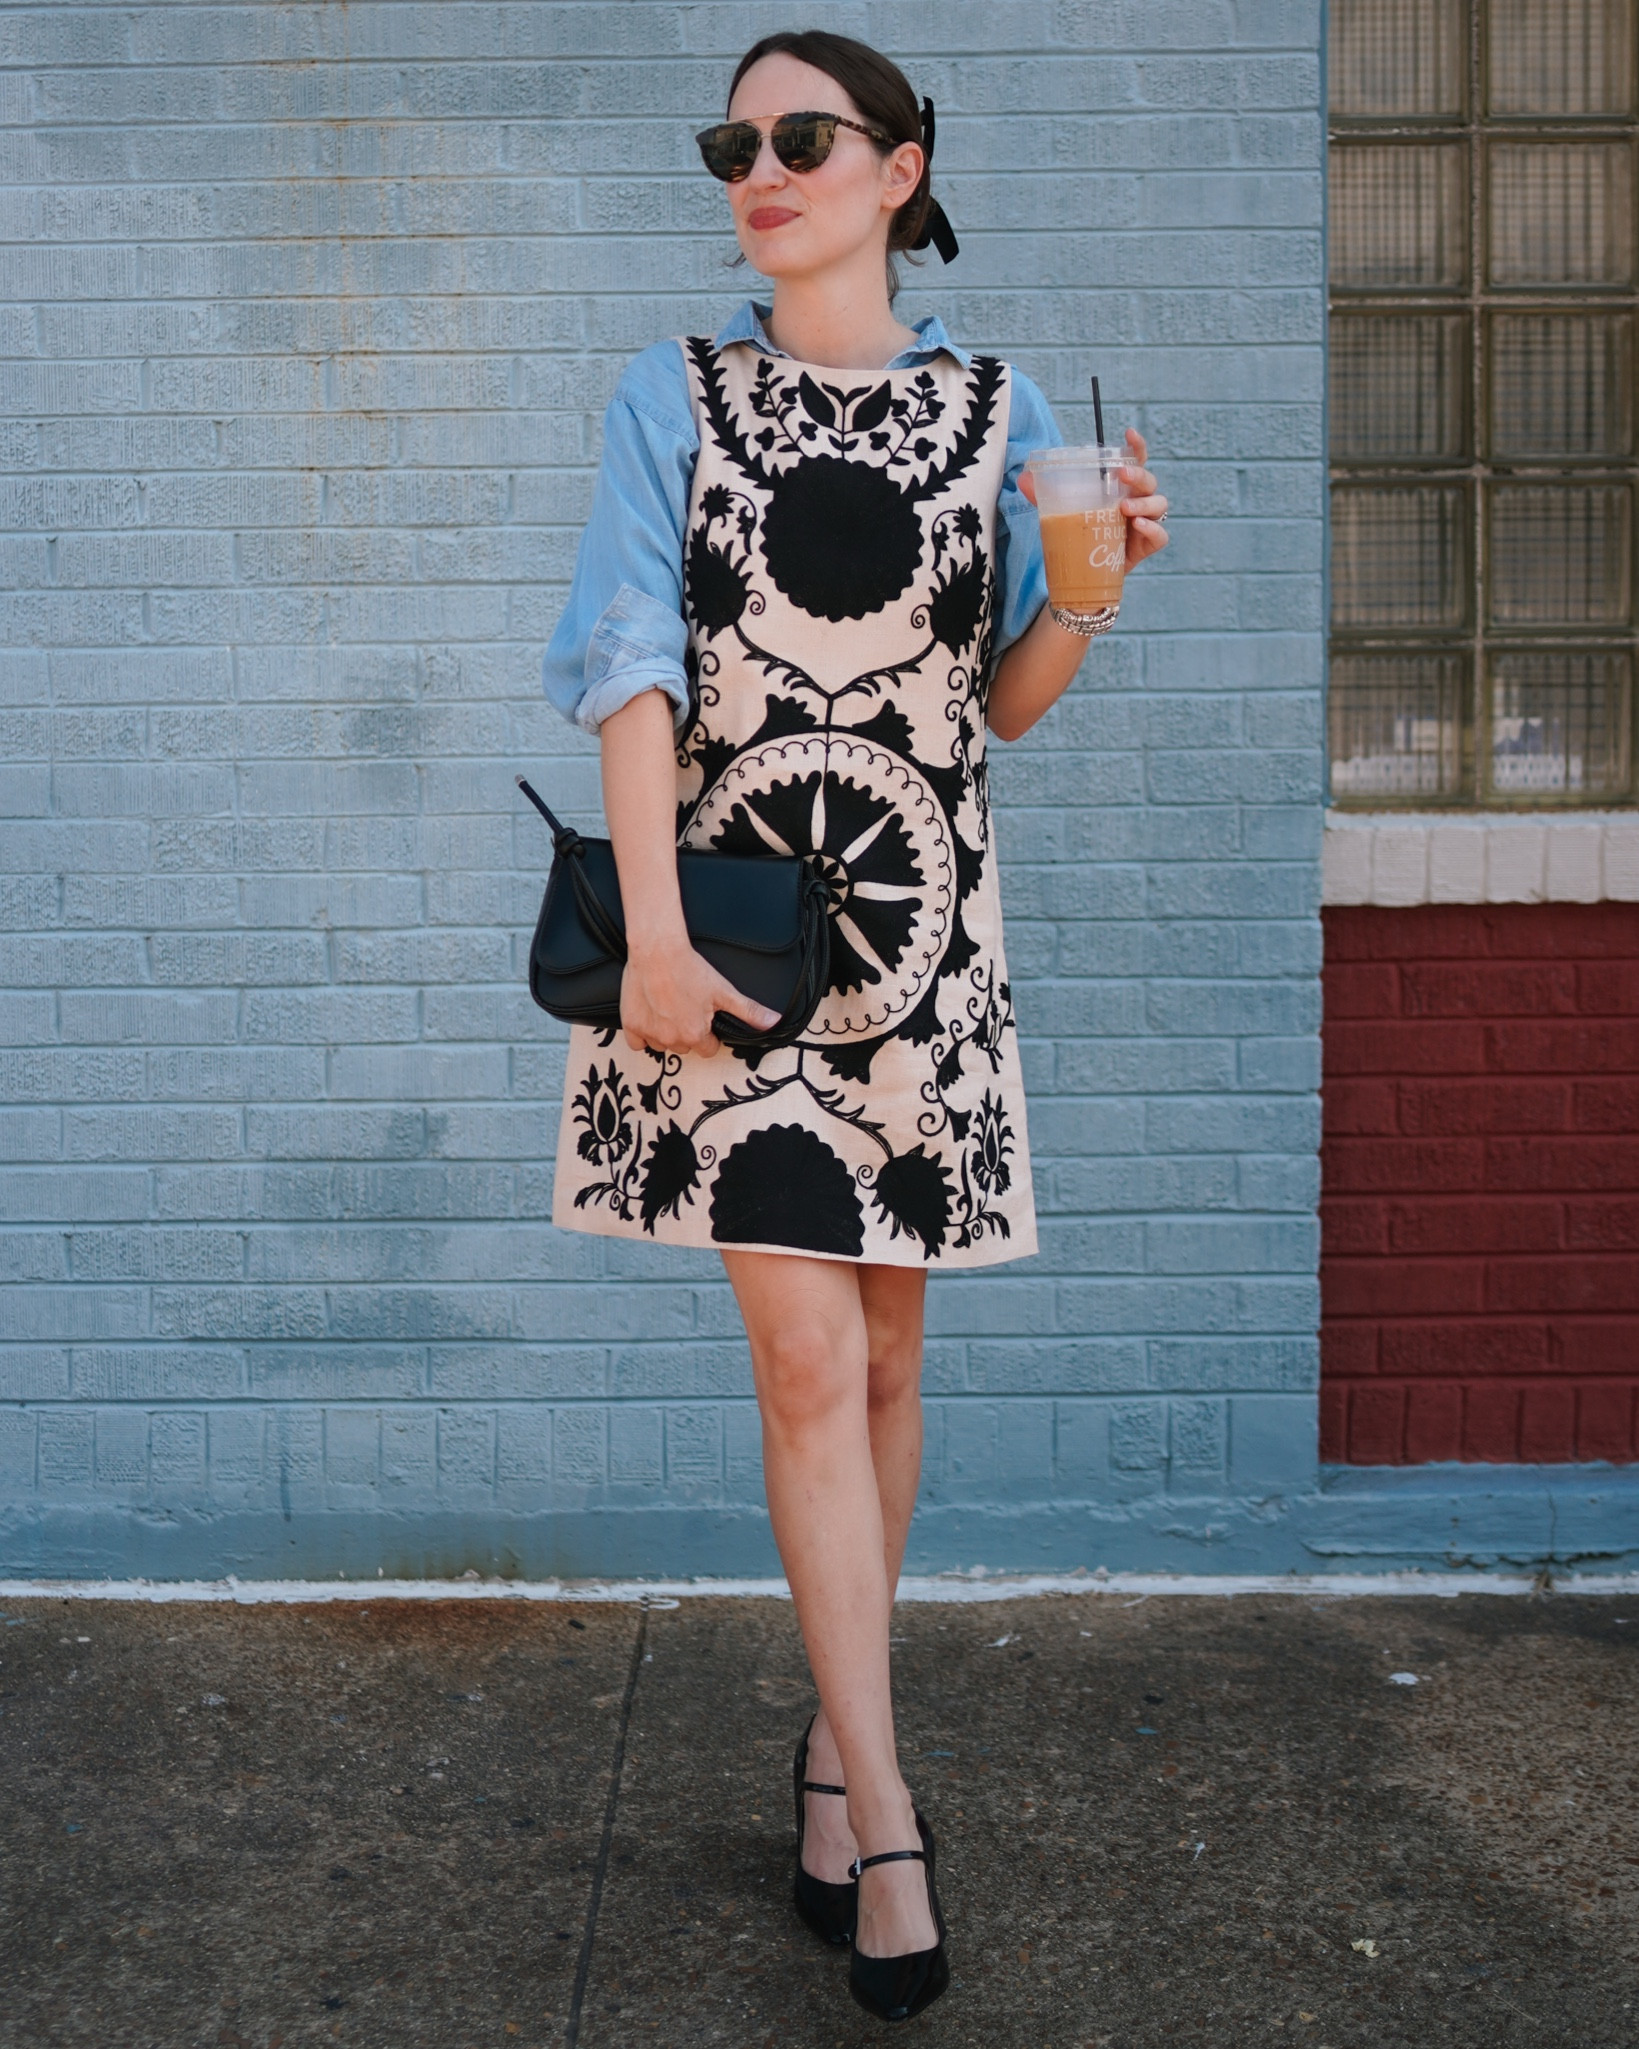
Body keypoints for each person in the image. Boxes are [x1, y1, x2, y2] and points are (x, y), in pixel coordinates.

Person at [542, 28, 1168, 2024]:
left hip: (919, 940)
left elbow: (996, 703)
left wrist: (1092, 592)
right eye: (736, 139)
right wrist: (647, 930)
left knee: (886, 1360)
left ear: (901, 168)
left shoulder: (998, 404)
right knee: (807, 1363)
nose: (759, 165)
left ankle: (828, 1737)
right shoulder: (675, 391)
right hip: (724, 946)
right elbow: (629, 661)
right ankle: (887, 1807)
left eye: (800, 135)